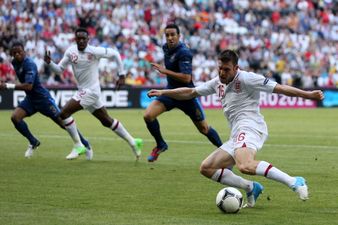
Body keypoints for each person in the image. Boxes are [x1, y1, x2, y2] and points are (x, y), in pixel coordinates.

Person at [147, 49, 324, 206]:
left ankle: (294, 181)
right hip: (237, 133)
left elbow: (280, 88)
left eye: (227, 70)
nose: (222, 73)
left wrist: (308, 94)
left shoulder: (248, 78)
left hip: (251, 126)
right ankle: (251, 187)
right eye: (220, 69)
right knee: (207, 168)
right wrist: (164, 92)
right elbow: (190, 92)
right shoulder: (217, 82)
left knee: (245, 165)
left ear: (236, 68)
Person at [44, 27, 143, 160]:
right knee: (106, 121)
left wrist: (122, 74)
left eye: (83, 39)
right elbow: (59, 70)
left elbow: (115, 54)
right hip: (84, 91)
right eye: (78, 38)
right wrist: (50, 63)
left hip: (91, 91)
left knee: (63, 113)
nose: (81, 41)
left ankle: (79, 145)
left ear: (88, 39)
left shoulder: (94, 51)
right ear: (75, 39)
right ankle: (133, 142)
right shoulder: (70, 51)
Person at [144, 24, 222, 162]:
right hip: (171, 93)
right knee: (148, 116)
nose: (170, 38)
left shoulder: (184, 53)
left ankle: (225, 153)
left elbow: (186, 78)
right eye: (167, 35)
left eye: (173, 34)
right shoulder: (165, 47)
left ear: (179, 36)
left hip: (186, 95)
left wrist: (164, 71)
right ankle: (161, 144)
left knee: (204, 129)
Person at [0, 41, 92, 159]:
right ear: (12, 54)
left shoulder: (30, 64)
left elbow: (29, 86)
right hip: (31, 99)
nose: (17, 54)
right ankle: (33, 142)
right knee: (15, 118)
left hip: (43, 99)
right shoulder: (14, 62)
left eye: (20, 52)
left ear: (24, 52)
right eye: (15, 53)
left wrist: (8, 86)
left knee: (63, 124)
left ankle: (85, 144)